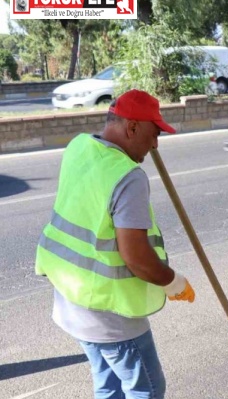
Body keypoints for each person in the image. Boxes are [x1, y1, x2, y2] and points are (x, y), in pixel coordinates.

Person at [35, 89, 195, 398]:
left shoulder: (79, 146)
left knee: (109, 386)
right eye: (153, 133)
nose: (155, 144)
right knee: (146, 389)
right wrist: (173, 282)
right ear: (132, 128)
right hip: (110, 315)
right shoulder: (128, 176)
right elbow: (137, 258)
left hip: (72, 302)